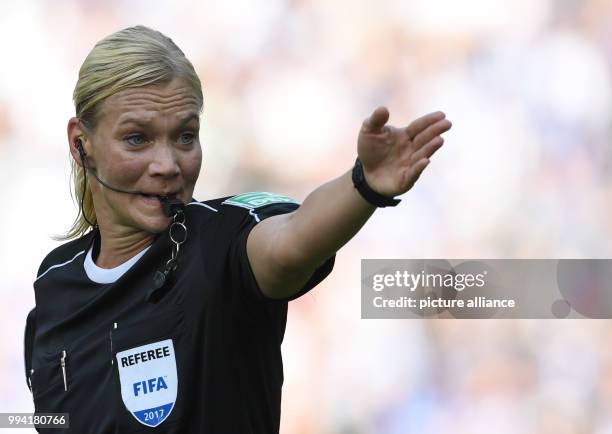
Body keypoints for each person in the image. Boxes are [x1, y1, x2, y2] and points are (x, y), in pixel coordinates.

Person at [23, 25, 451, 433]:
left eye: (186, 137)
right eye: (137, 138)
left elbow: (291, 242)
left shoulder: (219, 244)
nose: (168, 165)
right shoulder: (54, 283)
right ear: (82, 143)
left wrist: (363, 185)